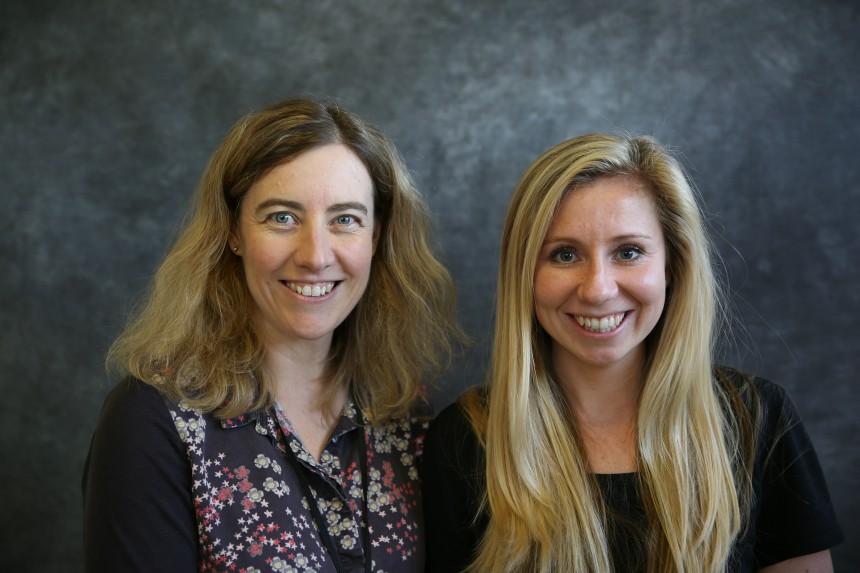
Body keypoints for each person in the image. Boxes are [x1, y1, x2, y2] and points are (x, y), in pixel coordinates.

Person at [422, 134, 843, 572]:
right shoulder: (465, 439)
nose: (598, 290)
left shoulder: (759, 419)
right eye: (564, 255)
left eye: (628, 252)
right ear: (525, 274)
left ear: (672, 266)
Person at [83, 98, 461, 572]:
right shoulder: (154, 423)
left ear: (376, 236)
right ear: (234, 231)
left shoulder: (406, 415)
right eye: (282, 217)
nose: (315, 256)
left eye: (345, 219)